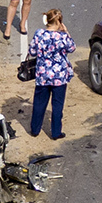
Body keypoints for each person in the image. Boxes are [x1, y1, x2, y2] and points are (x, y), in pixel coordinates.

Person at [27, 9, 75, 139]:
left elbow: (32, 51)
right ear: (59, 21)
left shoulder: (39, 34)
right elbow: (72, 48)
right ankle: (55, 132)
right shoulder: (63, 37)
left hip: (43, 75)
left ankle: (35, 130)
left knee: (39, 103)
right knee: (57, 105)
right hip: (59, 77)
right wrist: (65, 31)